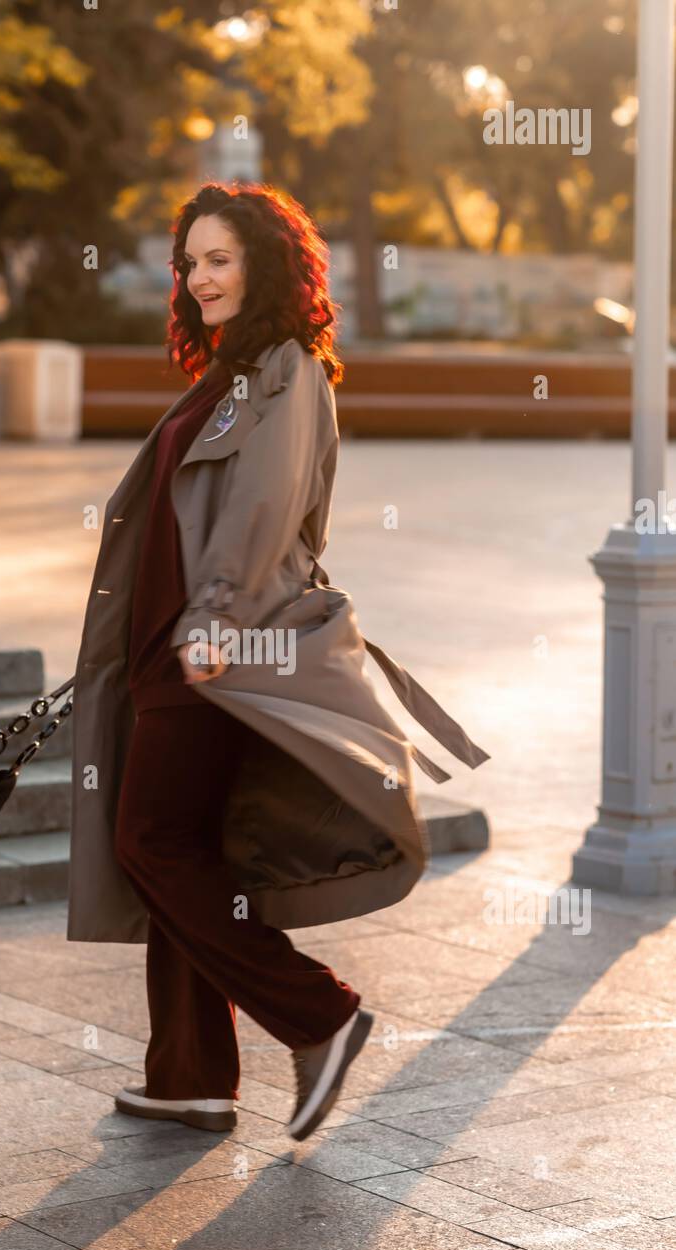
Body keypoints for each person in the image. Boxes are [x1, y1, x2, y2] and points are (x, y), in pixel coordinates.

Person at [67, 181, 489, 1143]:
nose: (199, 277)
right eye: (189, 262)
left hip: (221, 654)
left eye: (219, 258)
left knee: (153, 845)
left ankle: (322, 1016)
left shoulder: (287, 371)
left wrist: (212, 619)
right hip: (166, 655)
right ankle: (188, 1076)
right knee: (183, 851)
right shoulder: (226, 375)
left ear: (262, 262)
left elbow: (261, 508)